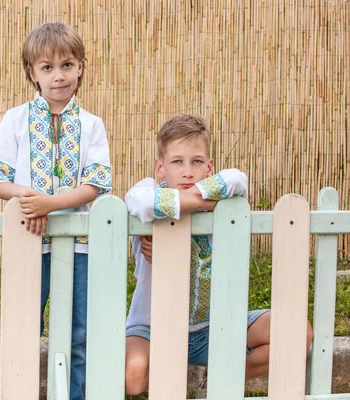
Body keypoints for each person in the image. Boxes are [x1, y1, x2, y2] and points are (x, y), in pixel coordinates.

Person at [123, 114, 313, 395]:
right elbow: (139, 200)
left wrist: (193, 200)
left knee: (298, 333)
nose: (187, 171)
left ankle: (216, 384)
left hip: (212, 327)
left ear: (209, 167)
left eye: (197, 161)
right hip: (152, 328)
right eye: (177, 162)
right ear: (160, 168)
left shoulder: (221, 201)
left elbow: (237, 178)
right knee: (133, 378)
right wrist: (202, 202)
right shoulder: (148, 190)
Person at [0, 22, 111, 400]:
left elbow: (97, 183)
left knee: (79, 331)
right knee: (24, 326)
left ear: (82, 68)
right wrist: (29, 198)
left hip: (81, 246)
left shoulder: (91, 126)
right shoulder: (15, 120)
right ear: (32, 73)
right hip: (29, 242)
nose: (59, 76)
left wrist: (51, 203)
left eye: (67, 65)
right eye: (47, 67)